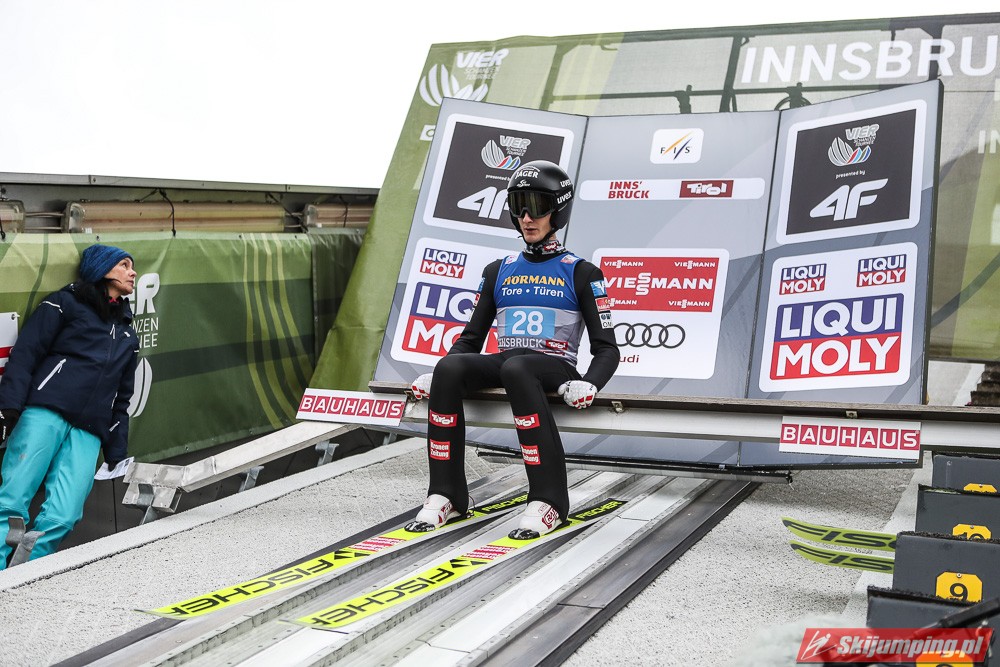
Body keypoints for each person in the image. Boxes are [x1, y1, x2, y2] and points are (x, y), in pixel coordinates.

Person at [408, 160, 619, 539]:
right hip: (511, 363)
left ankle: (549, 500)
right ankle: (447, 494)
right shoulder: (498, 270)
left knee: (517, 368)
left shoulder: (582, 272)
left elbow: (607, 348)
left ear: (558, 210)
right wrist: (438, 370)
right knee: (450, 370)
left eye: (537, 207)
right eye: (519, 206)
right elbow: (470, 339)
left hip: (554, 367)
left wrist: (591, 382)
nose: (527, 218)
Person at [0, 244, 139, 568]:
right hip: (45, 412)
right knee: (11, 501)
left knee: (65, 515)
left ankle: (23, 574)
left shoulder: (127, 333)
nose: (132, 273)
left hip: (89, 430)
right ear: (102, 268)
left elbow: (122, 398)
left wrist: (116, 451)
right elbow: (26, 354)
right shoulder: (64, 303)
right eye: (124, 265)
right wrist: (8, 408)